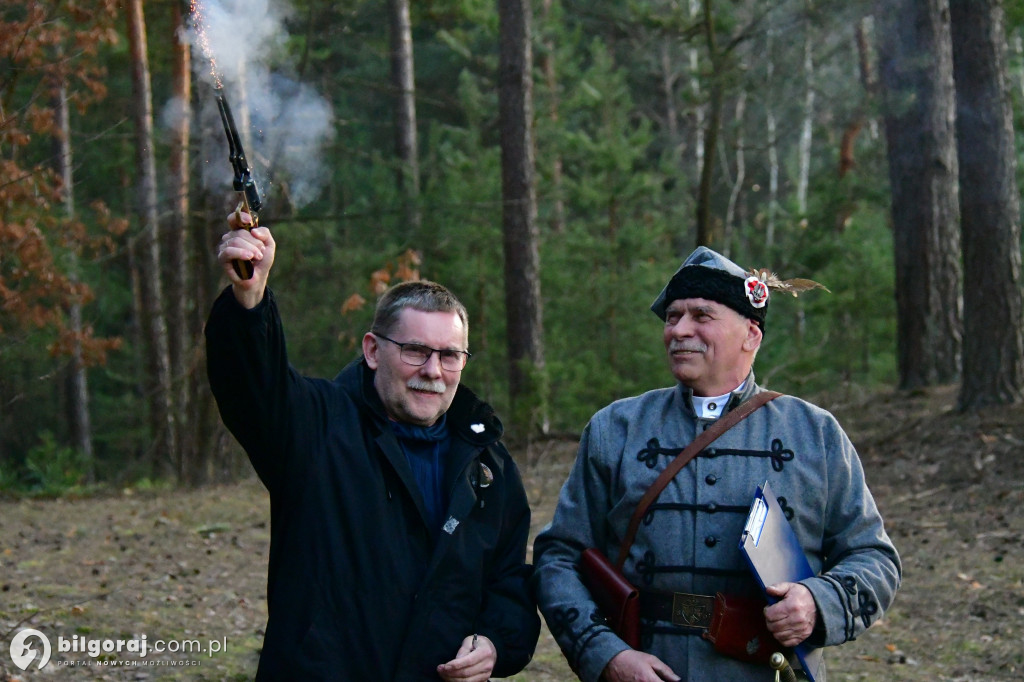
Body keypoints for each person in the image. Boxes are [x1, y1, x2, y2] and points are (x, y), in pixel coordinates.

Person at [532, 246, 901, 682]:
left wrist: (818, 601)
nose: (678, 330)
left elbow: (874, 559)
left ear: (751, 335)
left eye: (701, 316)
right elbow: (560, 557)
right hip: (644, 666)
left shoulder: (815, 433)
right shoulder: (615, 428)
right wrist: (606, 654)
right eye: (672, 317)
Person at [205, 213, 540, 681]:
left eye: (449, 355)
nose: (433, 371)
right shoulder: (315, 428)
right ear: (372, 350)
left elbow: (508, 579)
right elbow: (252, 387)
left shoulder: (487, 465)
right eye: (415, 351)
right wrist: (249, 299)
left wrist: (495, 641)